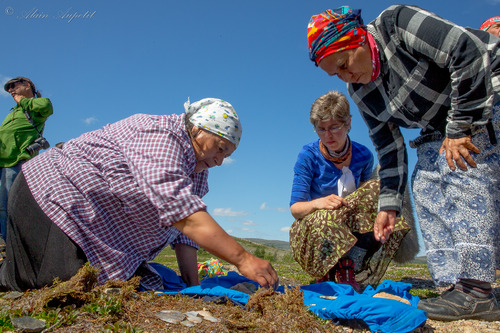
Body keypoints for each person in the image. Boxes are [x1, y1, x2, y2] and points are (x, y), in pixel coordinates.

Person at [307, 5, 500, 321]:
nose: (345, 76)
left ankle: (476, 288)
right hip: (442, 122)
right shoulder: (359, 89)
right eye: (336, 73)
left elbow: (467, 50)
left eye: (344, 64)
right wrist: (389, 205)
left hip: (486, 88)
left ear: (357, 38)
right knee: (424, 183)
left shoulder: (396, 24)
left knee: (464, 167)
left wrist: (461, 126)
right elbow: (388, 146)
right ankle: (454, 287)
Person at [0, 97, 278, 292]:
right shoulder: (161, 135)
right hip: (52, 198)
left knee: (96, 285)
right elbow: (184, 215)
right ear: (197, 128)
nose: (219, 160)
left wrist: (192, 286)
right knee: (56, 284)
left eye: (226, 155)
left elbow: (183, 234)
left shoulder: (196, 170)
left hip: (88, 222)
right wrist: (243, 259)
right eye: (219, 147)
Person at [289, 91, 410, 292]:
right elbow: (295, 208)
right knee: (326, 218)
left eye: (334, 127)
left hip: (350, 223)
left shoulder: (363, 156)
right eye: (321, 129)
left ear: (348, 123)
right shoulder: (308, 156)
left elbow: (364, 202)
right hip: (317, 229)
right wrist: (318, 203)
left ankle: (349, 266)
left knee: (379, 192)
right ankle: (327, 268)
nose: (328, 136)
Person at [0, 77, 53, 240]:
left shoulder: (37, 105)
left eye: (14, 86)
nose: (11, 90)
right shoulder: (13, 112)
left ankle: (12, 246)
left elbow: (47, 107)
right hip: (3, 162)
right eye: (9, 88)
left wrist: (22, 100)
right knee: (2, 207)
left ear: (27, 85)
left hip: (16, 162)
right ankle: (5, 242)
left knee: (9, 206)